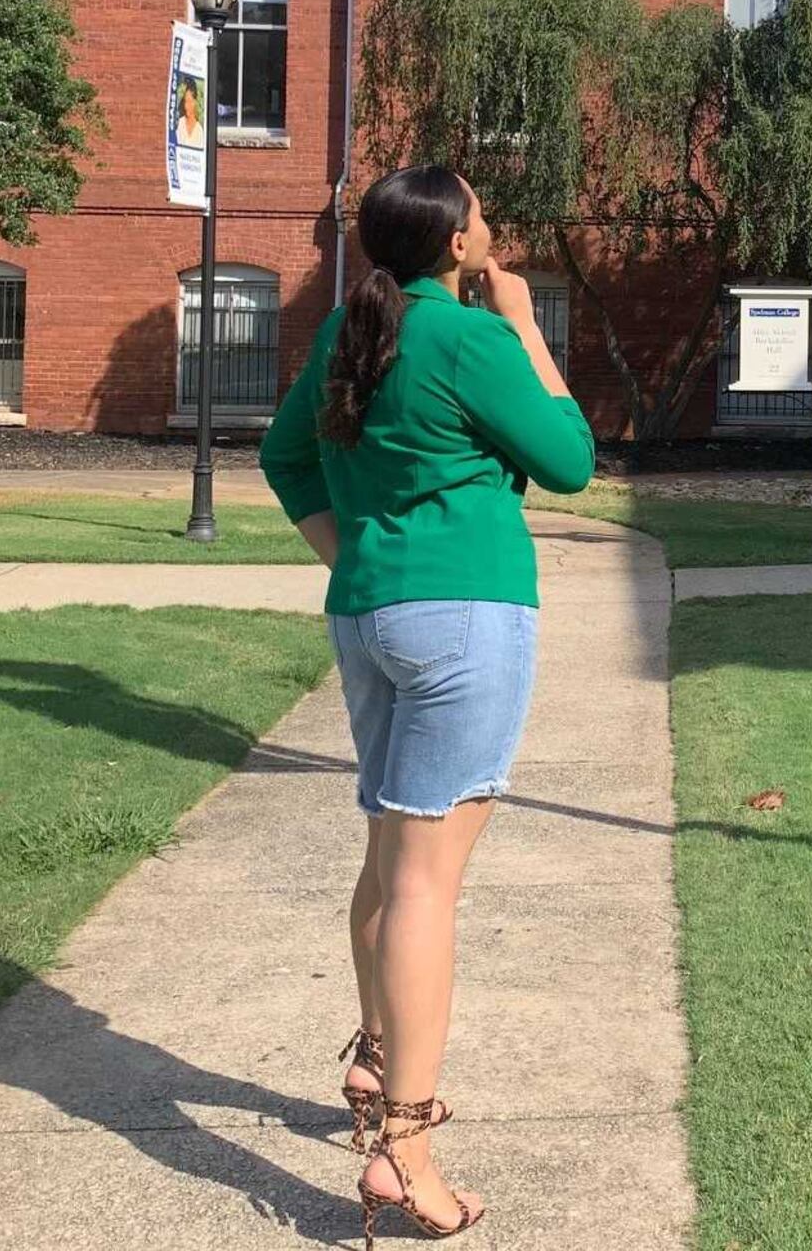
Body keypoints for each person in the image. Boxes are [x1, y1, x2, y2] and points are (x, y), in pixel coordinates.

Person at [261, 165, 592, 1243]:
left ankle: (374, 1057)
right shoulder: (470, 335)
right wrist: (529, 326)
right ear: (456, 245)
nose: (491, 227)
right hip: (465, 613)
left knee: (388, 855)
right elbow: (571, 460)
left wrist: (354, 557)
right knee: (424, 886)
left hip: (369, 614)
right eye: (481, 216)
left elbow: (284, 456)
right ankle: (405, 1148)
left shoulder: (350, 329)